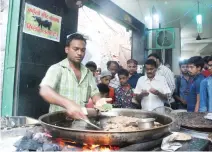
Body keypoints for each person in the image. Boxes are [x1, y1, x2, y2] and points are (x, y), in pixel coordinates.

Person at [39, 33, 111, 119]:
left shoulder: (88, 73)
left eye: (83, 50)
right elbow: (45, 90)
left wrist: (99, 101)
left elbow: (94, 93)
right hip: (58, 123)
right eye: (76, 49)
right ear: (67, 49)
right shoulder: (57, 69)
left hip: (80, 123)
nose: (80, 53)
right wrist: (68, 104)